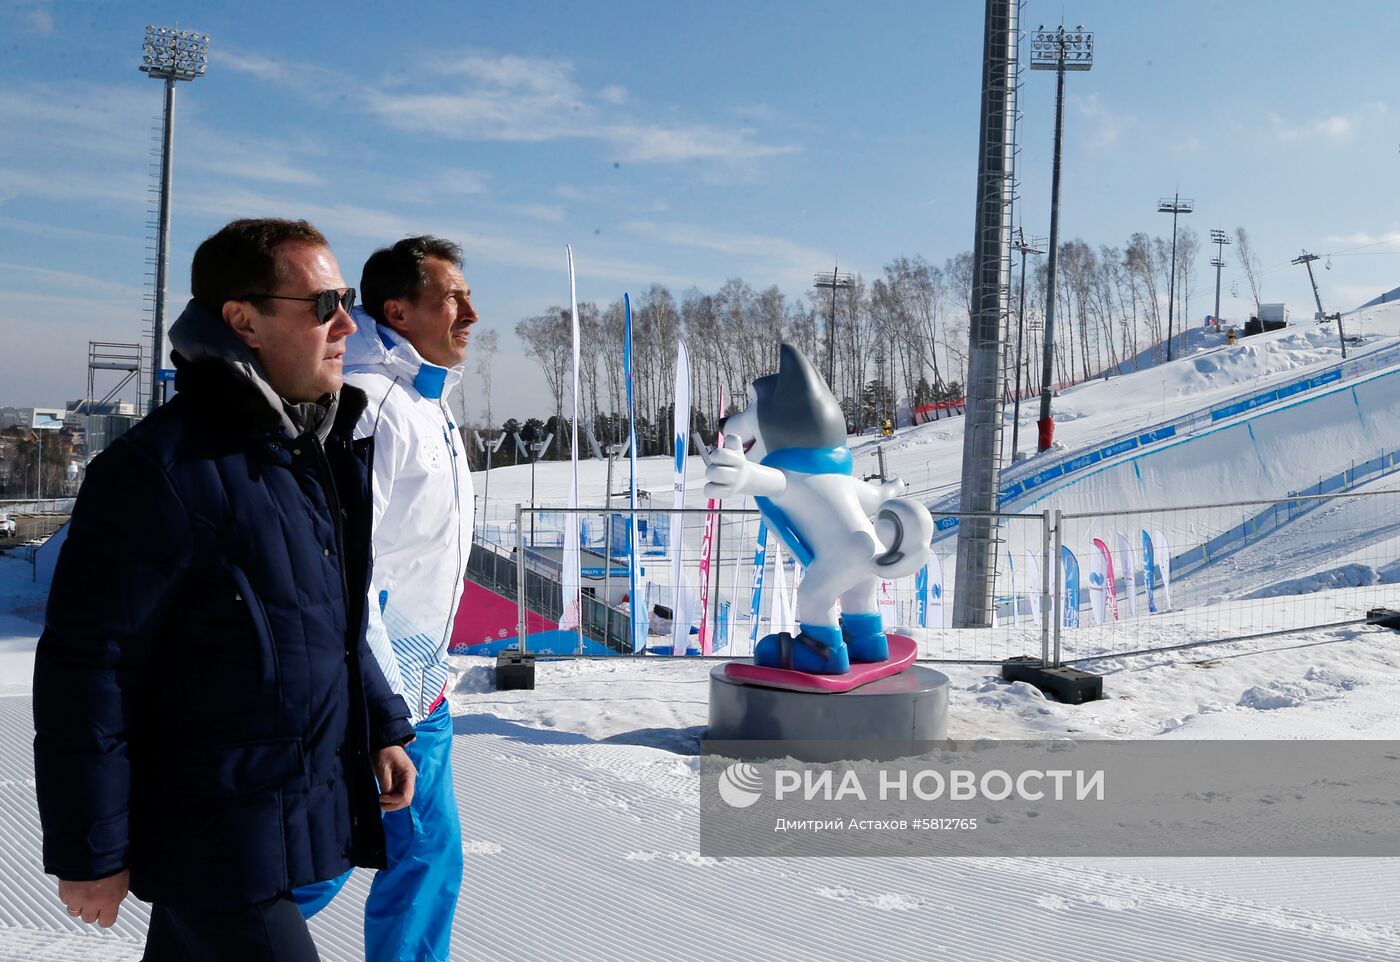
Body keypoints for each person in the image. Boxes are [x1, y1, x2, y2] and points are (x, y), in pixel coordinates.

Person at [33, 218, 418, 961]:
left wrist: (378, 725)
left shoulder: (312, 452)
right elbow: (91, 669)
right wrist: (92, 849)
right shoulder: (161, 472)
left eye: (344, 300)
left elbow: (326, 616)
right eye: (321, 304)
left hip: (272, 815)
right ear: (244, 321)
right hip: (215, 832)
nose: (346, 322)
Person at [292, 236, 477, 961]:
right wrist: (381, 714)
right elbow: (346, 575)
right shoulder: (369, 407)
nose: (470, 311)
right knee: (319, 866)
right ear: (397, 310)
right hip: (370, 701)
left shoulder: (426, 402)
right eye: (452, 297)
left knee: (426, 861)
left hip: (419, 692)